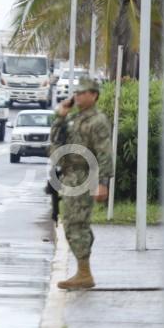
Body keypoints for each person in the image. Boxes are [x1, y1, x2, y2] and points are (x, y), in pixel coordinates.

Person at [50, 77, 112, 290]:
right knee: (72, 223)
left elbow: (104, 153)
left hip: (85, 176)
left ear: (94, 95)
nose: (77, 96)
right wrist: (60, 115)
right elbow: (55, 142)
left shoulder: (98, 121)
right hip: (70, 176)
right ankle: (83, 270)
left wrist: (103, 182)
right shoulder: (75, 119)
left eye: (82, 92)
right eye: (75, 92)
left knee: (76, 224)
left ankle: (84, 273)